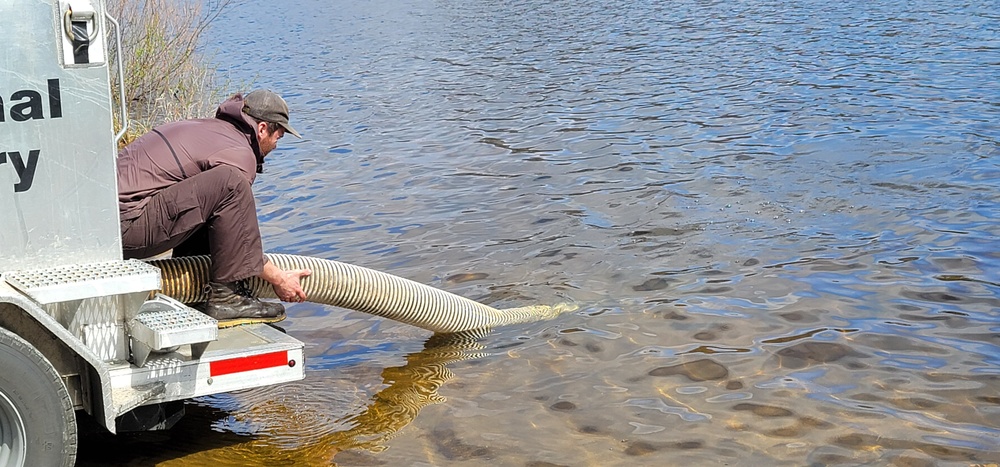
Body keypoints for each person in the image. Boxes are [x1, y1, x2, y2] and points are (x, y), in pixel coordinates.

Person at [117, 90, 311, 327]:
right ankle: (226, 299)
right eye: (278, 135)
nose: (277, 144)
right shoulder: (240, 153)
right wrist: (279, 278)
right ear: (262, 129)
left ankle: (196, 289)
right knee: (230, 184)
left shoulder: (207, 130)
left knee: (214, 190)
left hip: (110, 225)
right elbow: (240, 234)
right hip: (128, 226)